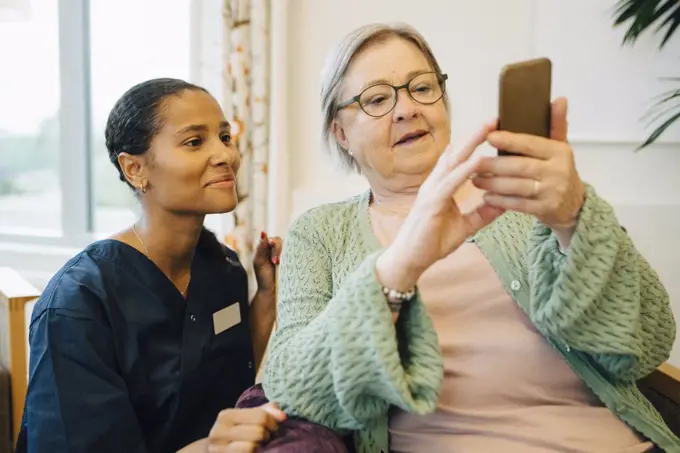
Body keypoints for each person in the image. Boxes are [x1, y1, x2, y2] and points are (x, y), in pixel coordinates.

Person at [261, 23, 679, 453]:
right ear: (341, 134)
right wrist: (402, 263)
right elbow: (293, 387)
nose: (406, 109)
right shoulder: (320, 233)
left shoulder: (530, 197)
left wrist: (575, 220)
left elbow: (648, 342)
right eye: (377, 99)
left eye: (421, 87)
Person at [17, 78, 288, 453]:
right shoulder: (77, 302)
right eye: (195, 141)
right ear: (134, 169)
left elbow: (233, 374)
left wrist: (267, 297)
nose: (226, 155)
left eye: (225, 137)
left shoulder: (222, 267)